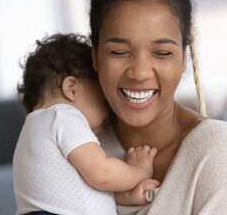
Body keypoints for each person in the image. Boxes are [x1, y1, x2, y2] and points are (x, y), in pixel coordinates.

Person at [89, 0, 227, 214]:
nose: (140, 73)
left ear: (184, 59)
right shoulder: (77, 143)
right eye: (119, 52)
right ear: (94, 57)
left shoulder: (214, 148)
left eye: (162, 53)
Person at [13, 33, 161, 215]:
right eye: (103, 101)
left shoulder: (34, 129)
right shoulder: (63, 115)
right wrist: (139, 170)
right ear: (71, 89)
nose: (108, 115)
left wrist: (127, 196)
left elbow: (76, 192)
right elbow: (102, 173)